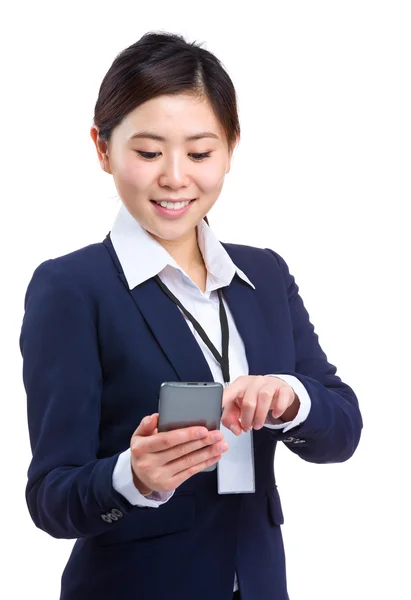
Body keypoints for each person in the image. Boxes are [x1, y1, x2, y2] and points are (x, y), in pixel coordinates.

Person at [19, 31, 363, 600]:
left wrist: (288, 395)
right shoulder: (71, 288)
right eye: (148, 152)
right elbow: (52, 498)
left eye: (200, 153)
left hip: (259, 583)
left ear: (230, 148)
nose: (176, 177)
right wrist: (133, 477)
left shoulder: (265, 276)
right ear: (102, 150)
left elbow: (342, 427)